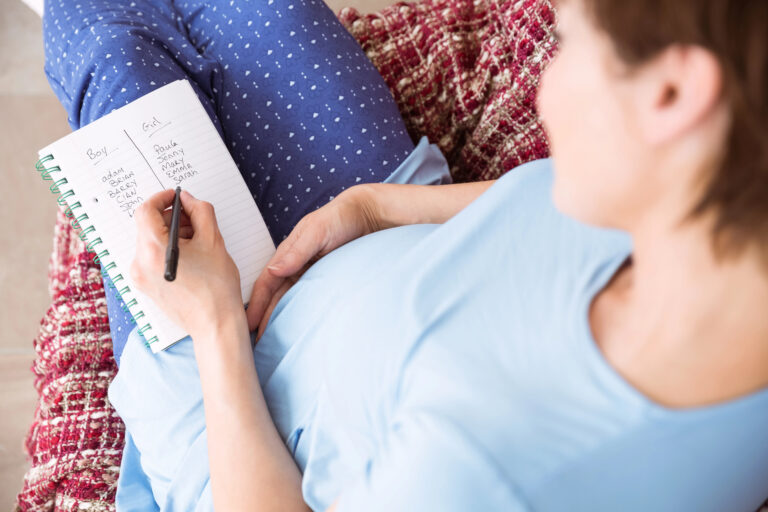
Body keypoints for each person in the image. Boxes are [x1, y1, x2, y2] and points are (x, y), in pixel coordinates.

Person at [47, 0, 768, 510]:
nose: (548, 82)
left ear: (673, 94)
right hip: (381, 227)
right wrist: (378, 207)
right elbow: (539, 211)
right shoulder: (724, 228)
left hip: (235, 406)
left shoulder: (484, 469)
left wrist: (213, 327)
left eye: (574, 39)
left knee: (107, 44)